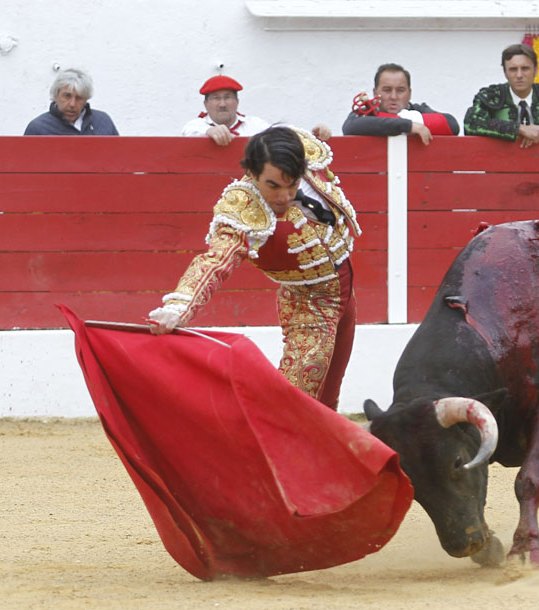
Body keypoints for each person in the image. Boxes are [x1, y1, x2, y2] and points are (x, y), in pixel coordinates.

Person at [148, 126, 361, 411]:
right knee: (294, 404)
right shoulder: (243, 208)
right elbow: (216, 261)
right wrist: (178, 308)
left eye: (292, 184)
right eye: (273, 185)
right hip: (309, 304)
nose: (284, 196)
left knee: (328, 395)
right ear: (251, 173)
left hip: (347, 292)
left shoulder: (304, 156)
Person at [182, 75, 332, 146]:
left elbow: (280, 134)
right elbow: (190, 131)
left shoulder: (254, 124)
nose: (222, 104)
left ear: (237, 102)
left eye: (227, 97)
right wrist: (210, 131)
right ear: (206, 104)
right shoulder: (197, 125)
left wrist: (311, 135)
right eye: (216, 98)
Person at [342, 63, 459, 145]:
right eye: (387, 90)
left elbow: (451, 124)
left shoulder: (419, 110)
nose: (394, 96)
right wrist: (409, 126)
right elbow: (350, 126)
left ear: (409, 93)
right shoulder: (368, 111)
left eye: (400, 90)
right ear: (375, 93)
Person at [24, 68, 119, 136]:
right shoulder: (39, 128)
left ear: (86, 99)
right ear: (55, 96)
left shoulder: (102, 122)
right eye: (67, 96)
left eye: (79, 98)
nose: (72, 104)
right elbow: (24, 162)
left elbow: (120, 159)